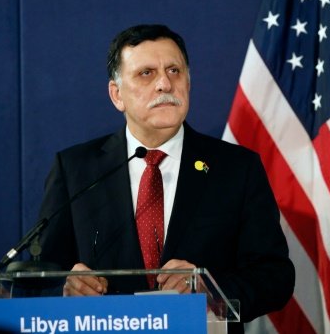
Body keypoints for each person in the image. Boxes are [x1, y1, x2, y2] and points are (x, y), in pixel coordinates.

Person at [37, 24, 294, 332]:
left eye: (174, 70)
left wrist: (209, 289)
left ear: (188, 81)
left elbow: (275, 277)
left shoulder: (237, 168)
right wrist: (65, 288)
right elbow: (42, 271)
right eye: (146, 73)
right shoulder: (76, 169)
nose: (164, 84)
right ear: (117, 94)